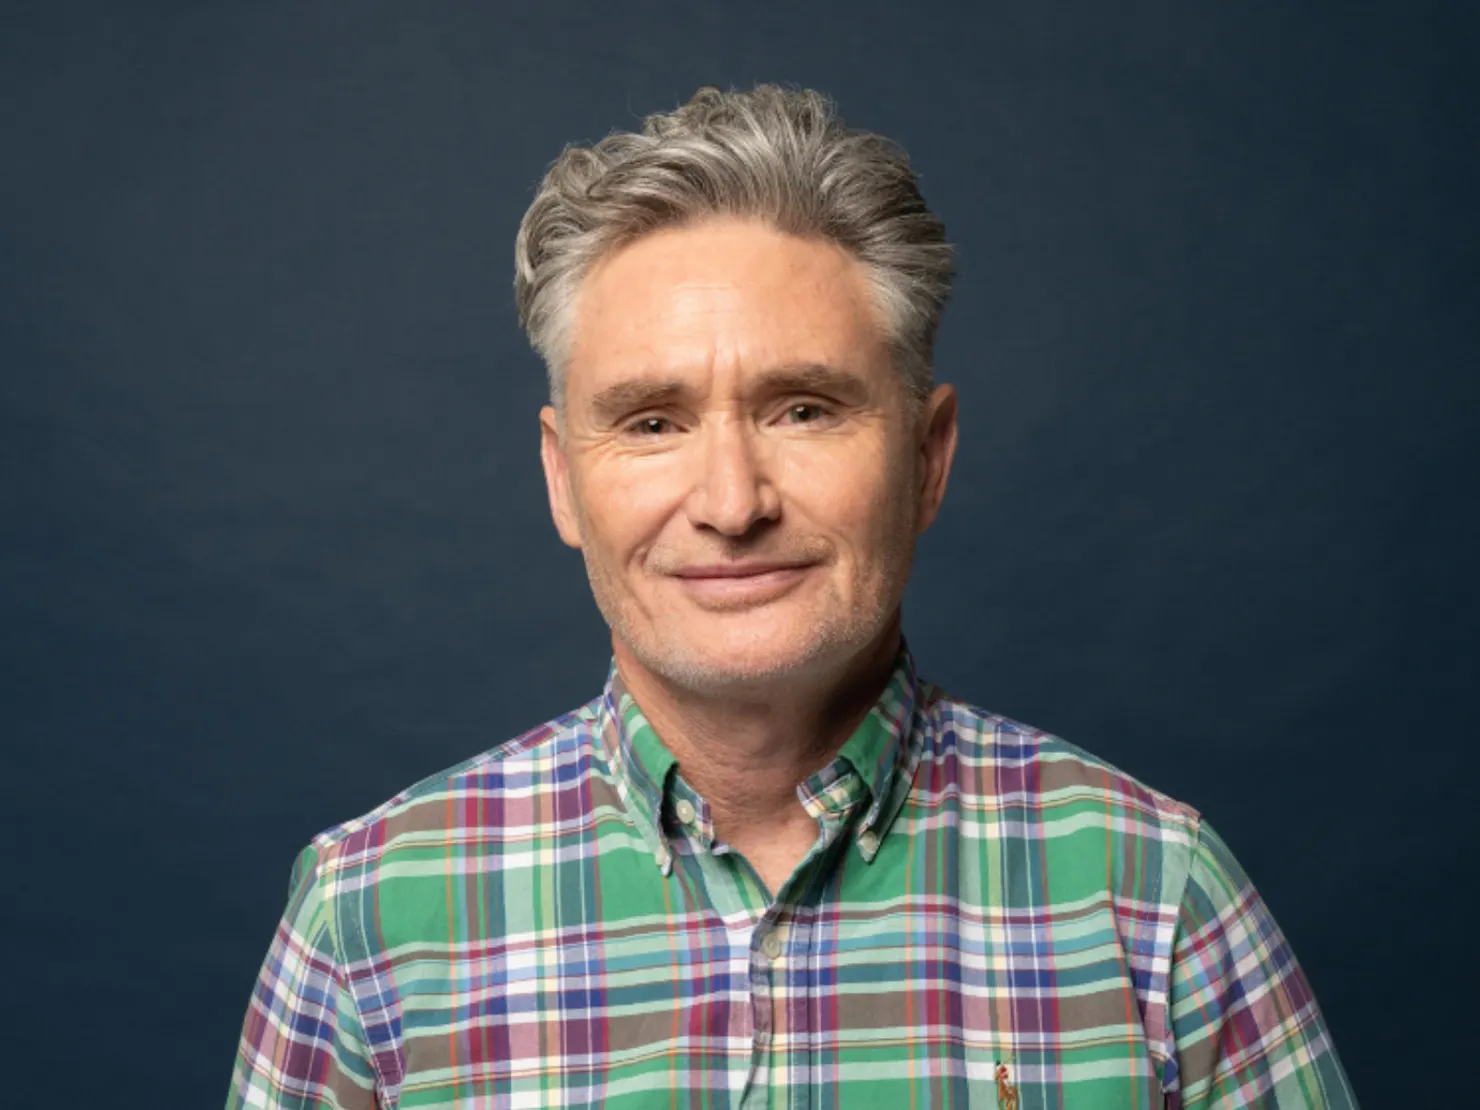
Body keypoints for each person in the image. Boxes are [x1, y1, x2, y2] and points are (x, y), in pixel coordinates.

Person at [227, 84, 1358, 1109]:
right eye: (652, 422)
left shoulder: (1154, 900)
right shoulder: (366, 922)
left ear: (928, 457)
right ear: (564, 480)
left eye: (803, 410)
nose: (731, 503)